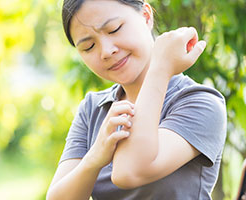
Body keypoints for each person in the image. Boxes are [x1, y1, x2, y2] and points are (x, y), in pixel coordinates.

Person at [46, 0, 227, 199]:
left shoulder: (200, 103)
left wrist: (161, 67)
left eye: (114, 29)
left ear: (146, 16)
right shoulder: (93, 109)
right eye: (89, 47)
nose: (106, 51)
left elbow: (129, 172)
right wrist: (94, 158)